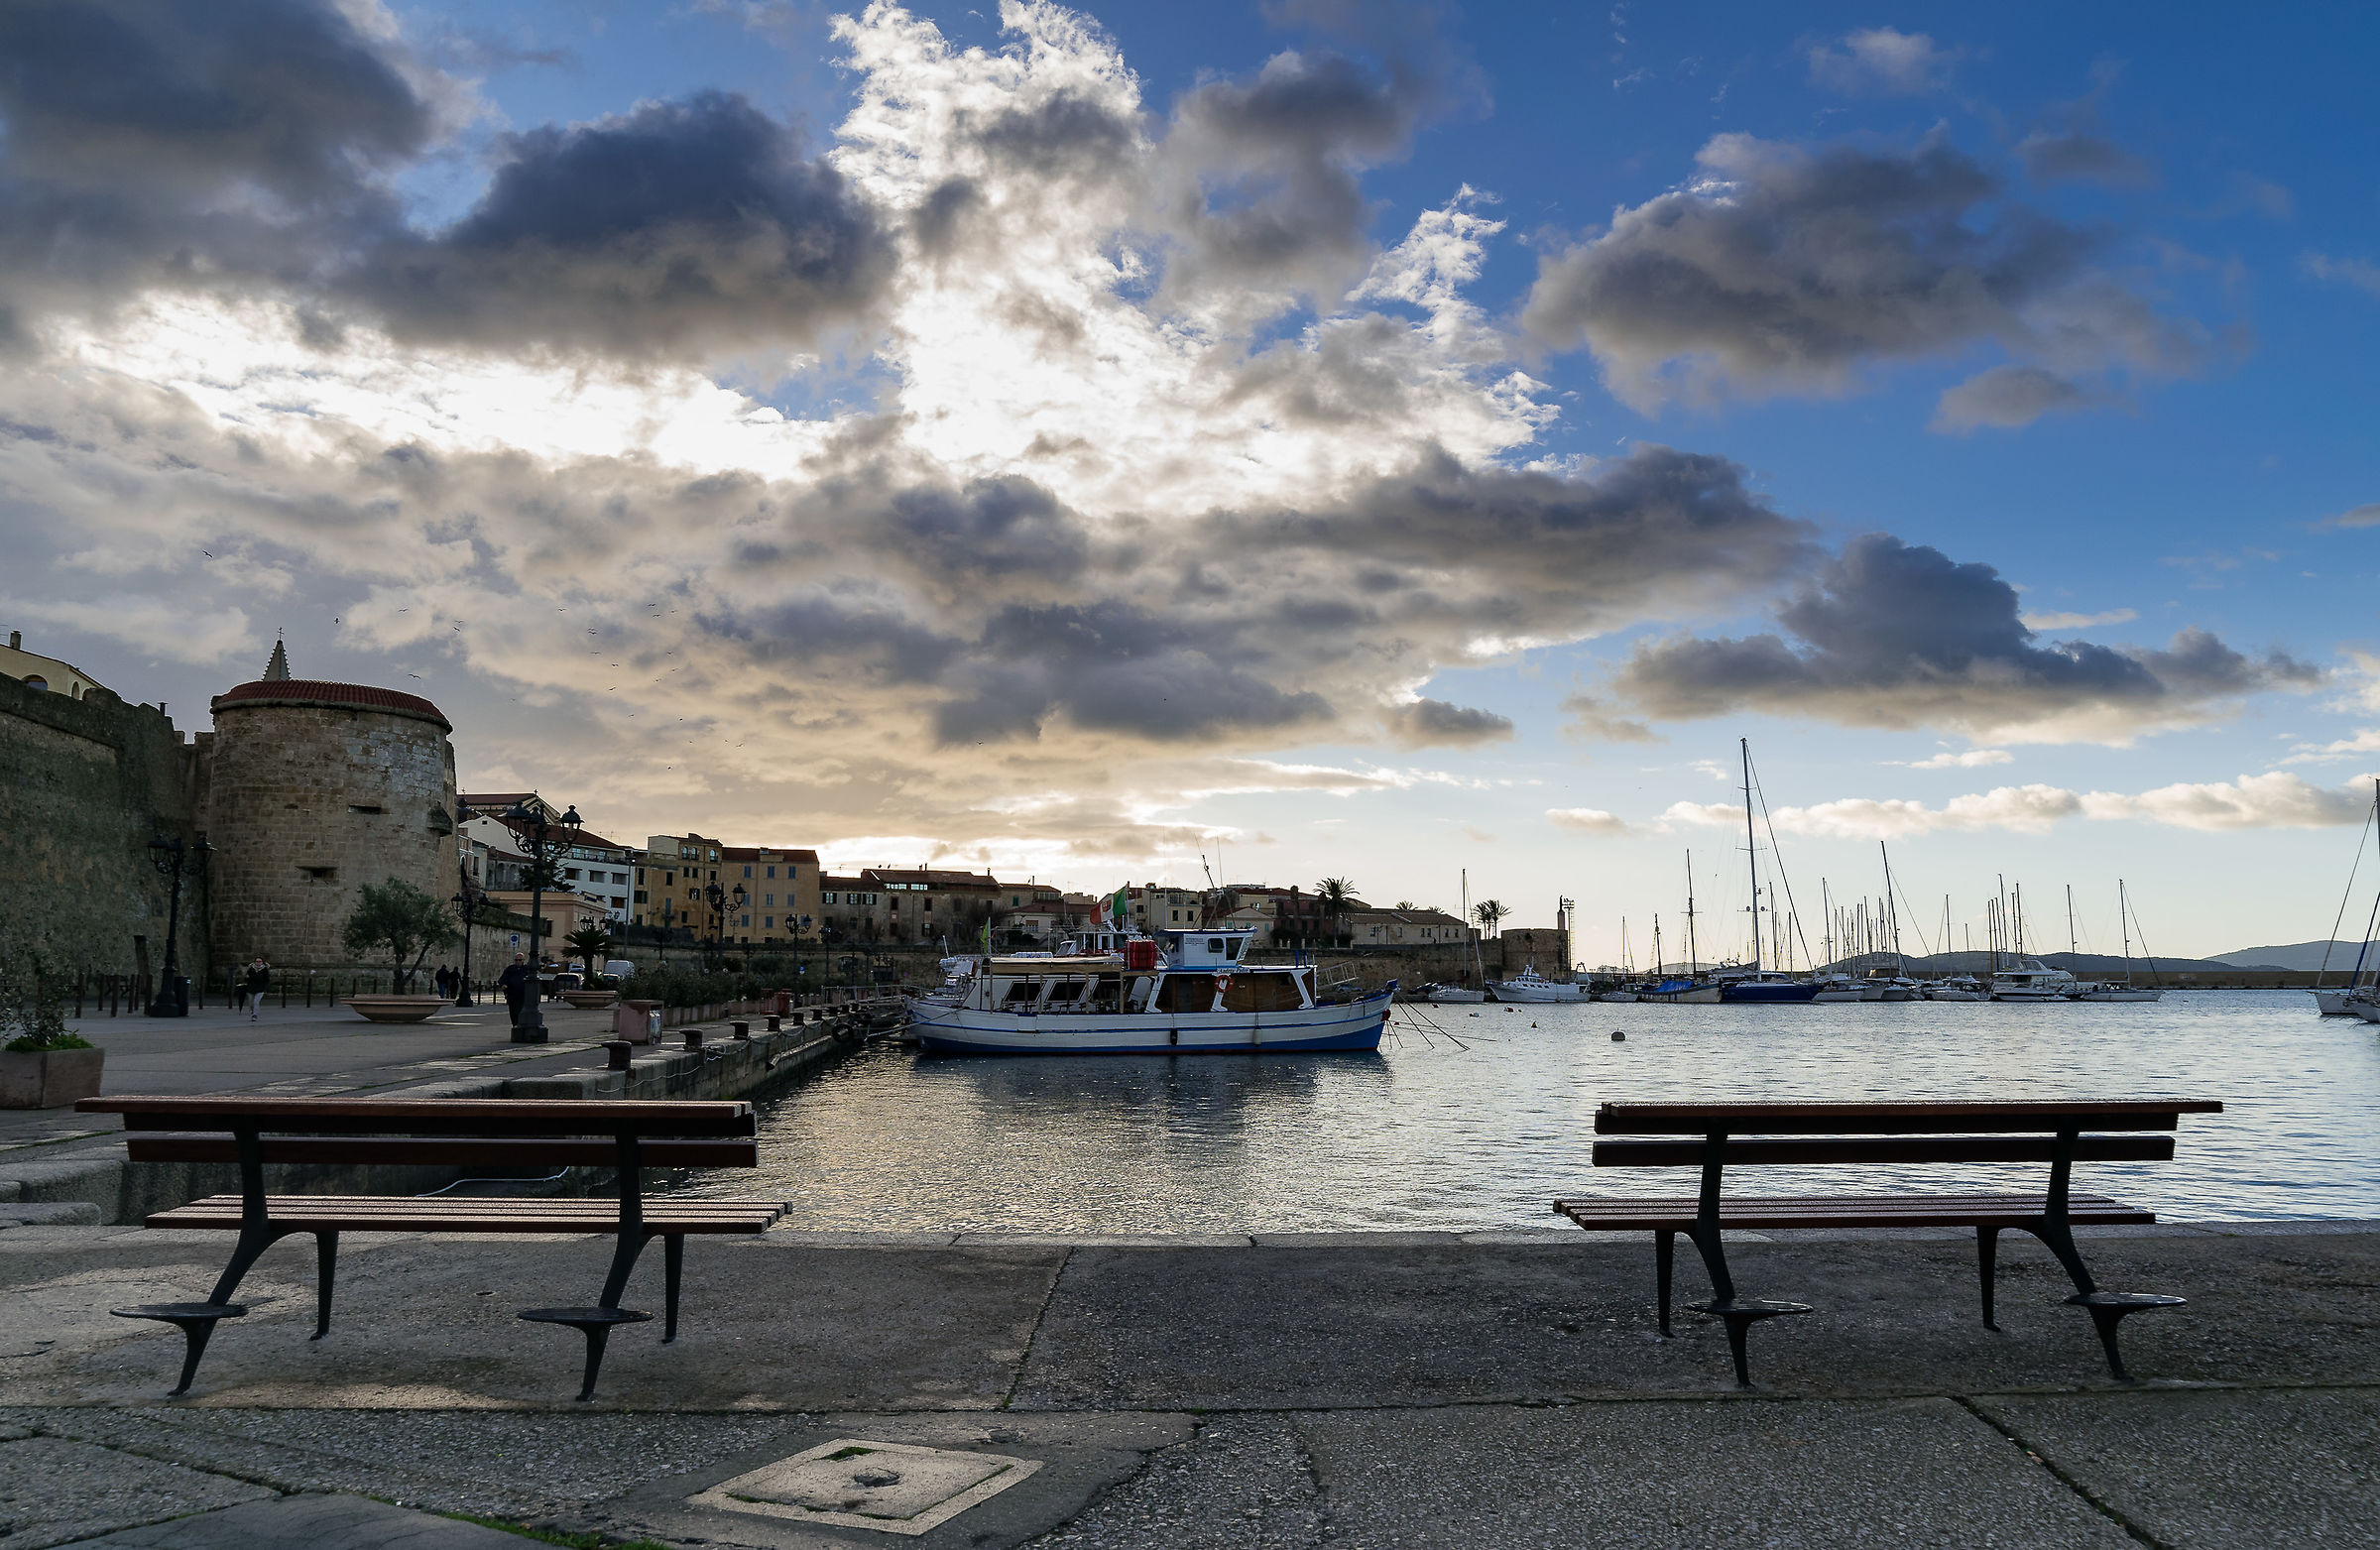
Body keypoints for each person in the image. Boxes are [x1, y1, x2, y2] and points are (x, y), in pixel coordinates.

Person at [496, 953, 533, 1029]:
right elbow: (502, 979)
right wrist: (503, 985)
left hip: (523, 995)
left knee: (521, 1012)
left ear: (523, 960)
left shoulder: (527, 969)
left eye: (520, 960)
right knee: (513, 1012)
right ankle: (515, 1026)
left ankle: (521, 1026)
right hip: (512, 995)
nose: (518, 962)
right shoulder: (510, 969)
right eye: (516, 960)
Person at [241, 957, 270, 1021]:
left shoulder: (265, 969)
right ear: (254, 962)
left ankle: (255, 1015)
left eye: (259, 961)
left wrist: (265, 987)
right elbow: (245, 979)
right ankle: (253, 1011)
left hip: (260, 988)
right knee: (251, 1003)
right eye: (257, 961)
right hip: (251, 988)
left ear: (262, 962)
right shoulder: (251, 969)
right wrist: (246, 977)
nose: (258, 963)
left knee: (256, 1002)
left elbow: (267, 979)